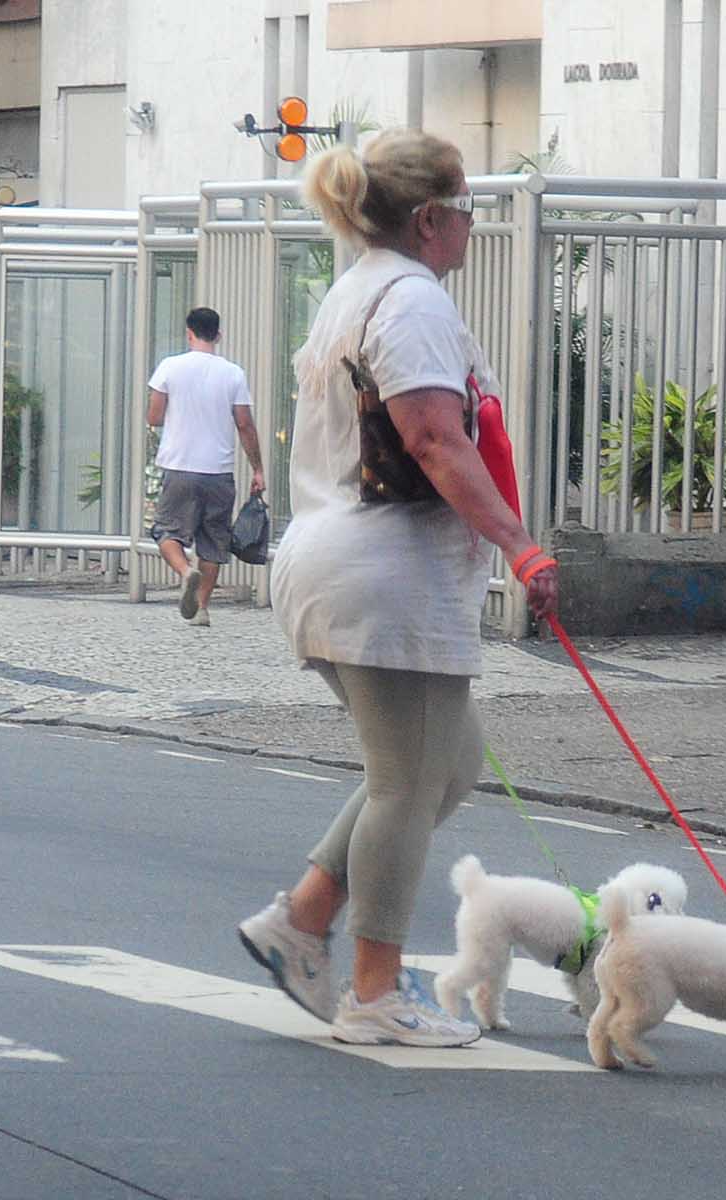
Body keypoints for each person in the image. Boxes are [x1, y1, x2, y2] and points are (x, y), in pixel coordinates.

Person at [236, 129, 559, 1048]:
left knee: (439, 770)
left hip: (341, 559)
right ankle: (373, 993)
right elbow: (433, 438)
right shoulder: (411, 300)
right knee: (407, 787)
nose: (471, 226)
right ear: (430, 219)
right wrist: (520, 547)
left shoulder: (360, 286)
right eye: (464, 210)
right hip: (385, 571)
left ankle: (301, 920)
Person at [145, 307, 265, 627]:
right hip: (219, 471)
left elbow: (154, 417)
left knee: (166, 530)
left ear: (189, 333)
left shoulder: (170, 367)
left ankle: (186, 572)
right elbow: (245, 425)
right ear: (219, 335)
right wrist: (257, 468)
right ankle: (201, 609)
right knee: (214, 542)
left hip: (178, 466)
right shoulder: (233, 374)